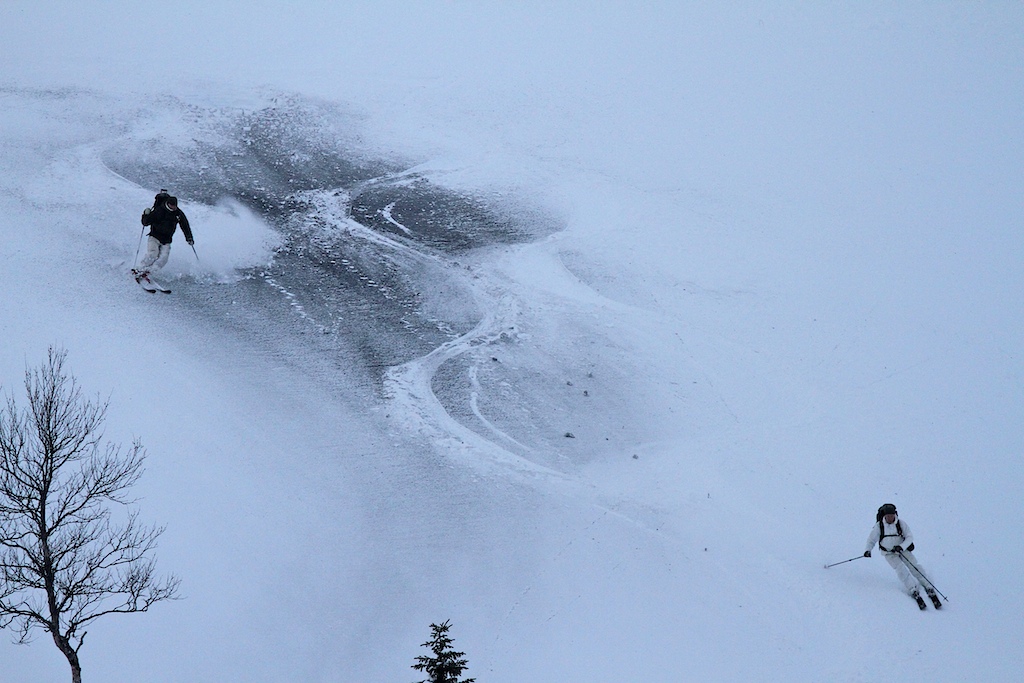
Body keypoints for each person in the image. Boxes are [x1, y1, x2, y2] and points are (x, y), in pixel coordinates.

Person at [864, 503, 941, 608]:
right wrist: (868, 550)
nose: (890, 518)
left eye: (891, 515)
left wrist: (902, 546)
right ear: (884, 516)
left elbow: (909, 537)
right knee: (901, 570)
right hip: (889, 553)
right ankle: (912, 589)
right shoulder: (879, 526)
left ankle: (927, 585)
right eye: (887, 516)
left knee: (914, 566)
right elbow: (871, 540)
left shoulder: (901, 524)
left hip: (902, 550)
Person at [133, 190, 194, 281]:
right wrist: (145, 215)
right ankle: (139, 269)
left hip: (167, 240)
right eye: (172, 206)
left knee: (164, 259)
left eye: (175, 206)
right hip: (154, 237)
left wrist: (189, 238)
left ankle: (149, 272)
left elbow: (185, 225)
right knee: (153, 254)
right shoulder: (160, 210)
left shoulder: (178, 214)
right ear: (168, 204)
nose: (173, 208)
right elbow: (146, 222)